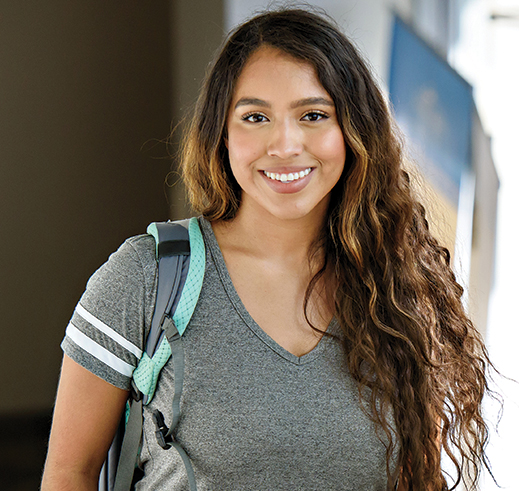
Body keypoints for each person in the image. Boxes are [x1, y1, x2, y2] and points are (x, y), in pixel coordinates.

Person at [41, 8, 493, 490]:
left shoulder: (400, 289)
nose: (285, 144)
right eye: (256, 117)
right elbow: (71, 473)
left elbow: (418, 480)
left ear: (354, 131)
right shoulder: (148, 279)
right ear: (223, 133)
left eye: (313, 115)